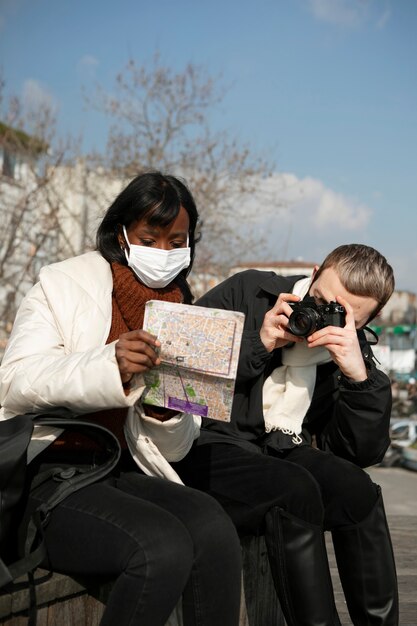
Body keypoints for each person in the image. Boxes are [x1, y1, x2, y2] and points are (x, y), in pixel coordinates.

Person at [0, 171, 242, 626]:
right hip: (48, 472)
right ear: (121, 234)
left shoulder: (181, 309)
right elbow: (15, 381)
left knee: (213, 527)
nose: (164, 253)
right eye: (150, 239)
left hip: (121, 469)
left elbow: (172, 449)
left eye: (177, 241)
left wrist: (165, 410)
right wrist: (109, 365)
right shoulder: (62, 284)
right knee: (160, 548)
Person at [170, 244, 399, 626]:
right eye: (320, 299)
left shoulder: (352, 349)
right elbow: (179, 364)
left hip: (280, 447)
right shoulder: (248, 292)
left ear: (364, 322)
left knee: (357, 490)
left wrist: (360, 380)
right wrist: (259, 344)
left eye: (339, 316)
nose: (321, 316)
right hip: (206, 441)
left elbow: (356, 452)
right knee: (295, 489)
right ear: (313, 272)